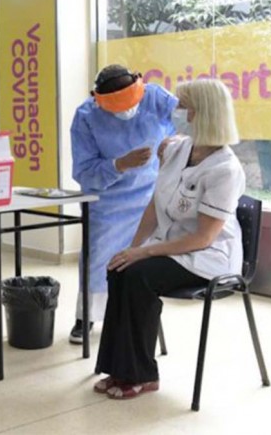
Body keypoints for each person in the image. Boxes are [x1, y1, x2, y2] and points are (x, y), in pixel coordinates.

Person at [93, 79, 244, 400]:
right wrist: (134, 247)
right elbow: (154, 205)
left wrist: (145, 254)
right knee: (118, 267)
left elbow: (203, 236)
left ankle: (142, 375)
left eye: (185, 107)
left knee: (138, 276)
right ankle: (117, 368)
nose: (179, 113)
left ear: (203, 114)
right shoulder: (175, 149)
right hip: (170, 245)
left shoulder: (225, 170)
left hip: (207, 256)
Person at [69, 64, 177, 344]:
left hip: (151, 197)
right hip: (108, 202)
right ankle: (86, 315)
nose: (127, 111)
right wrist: (119, 164)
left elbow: (188, 122)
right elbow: (84, 172)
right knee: (98, 257)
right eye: (117, 106)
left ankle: (138, 316)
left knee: (143, 260)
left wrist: (175, 143)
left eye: (130, 102)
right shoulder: (86, 116)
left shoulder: (157, 98)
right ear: (98, 99)